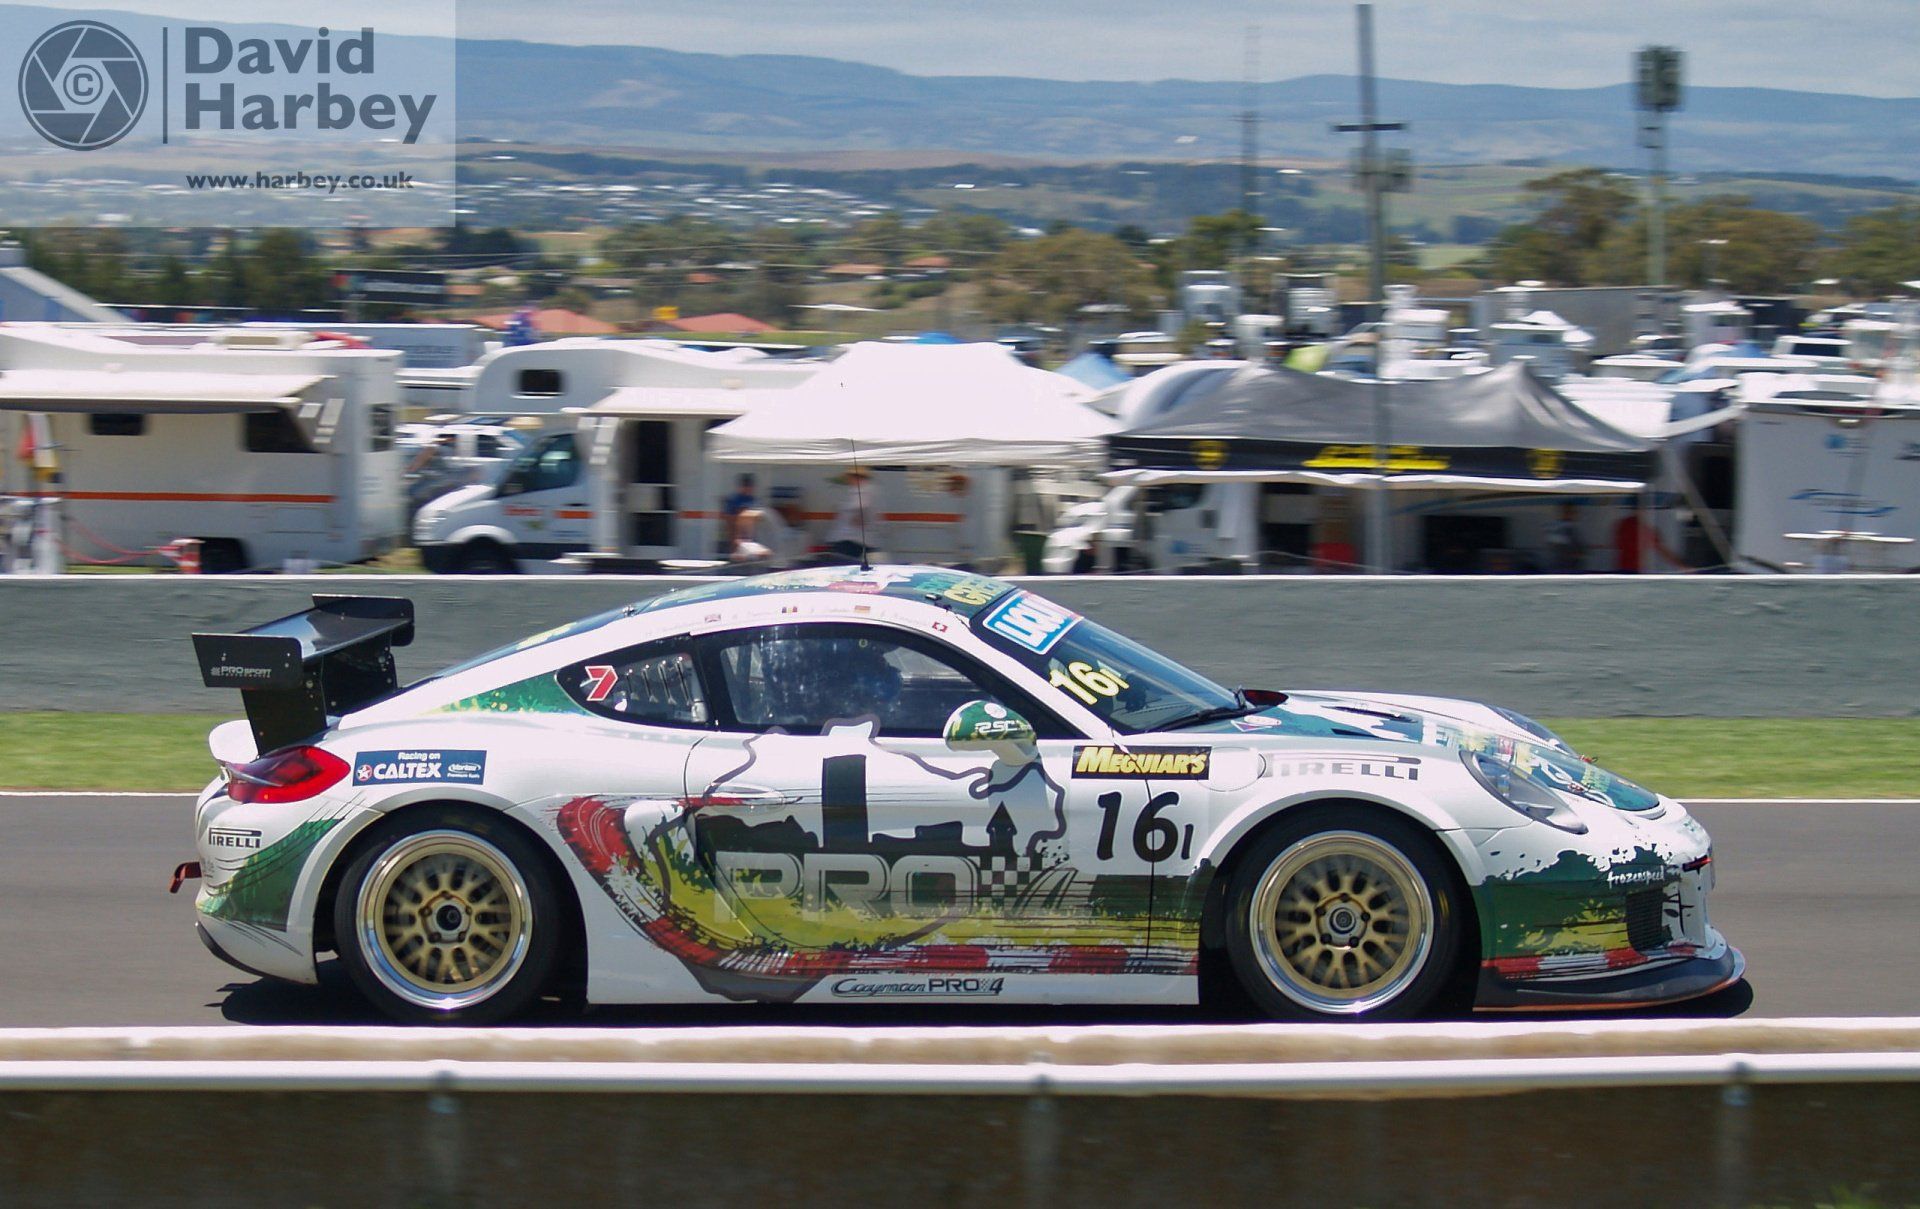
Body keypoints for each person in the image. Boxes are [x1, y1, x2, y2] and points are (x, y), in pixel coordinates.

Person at [826, 467, 876, 563]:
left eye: (850, 477)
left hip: (852, 542)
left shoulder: (863, 490)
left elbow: (862, 508)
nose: (848, 479)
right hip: (852, 540)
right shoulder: (859, 490)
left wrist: (858, 518)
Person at [1545, 502, 1587, 573]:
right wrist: (1576, 553)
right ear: (1565, 513)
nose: (1575, 514)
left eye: (1575, 512)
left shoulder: (1572, 528)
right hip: (1562, 569)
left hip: (1572, 568)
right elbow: (1561, 549)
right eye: (1572, 512)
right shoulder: (1557, 528)